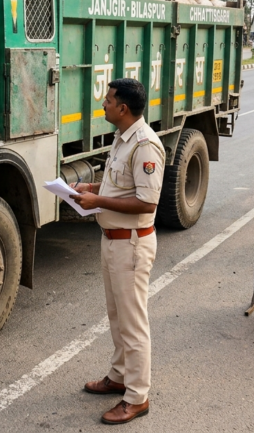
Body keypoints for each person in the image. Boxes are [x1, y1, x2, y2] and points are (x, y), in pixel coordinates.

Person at [69, 78, 164, 425]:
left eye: (108, 100)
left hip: (132, 244)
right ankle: (120, 375)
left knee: (133, 323)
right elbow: (121, 187)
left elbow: (146, 200)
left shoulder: (145, 145)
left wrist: (96, 201)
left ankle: (137, 397)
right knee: (116, 315)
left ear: (123, 108)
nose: (104, 104)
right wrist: (90, 188)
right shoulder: (122, 139)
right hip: (113, 240)